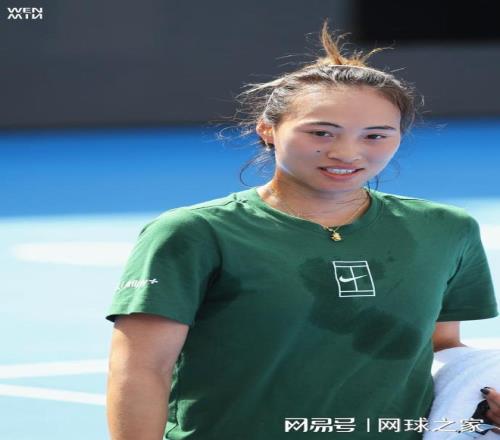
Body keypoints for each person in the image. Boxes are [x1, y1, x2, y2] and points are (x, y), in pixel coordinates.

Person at [105, 19, 499, 439]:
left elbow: (441, 349)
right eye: (321, 132)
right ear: (267, 129)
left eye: (375, 136)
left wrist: (486, 400)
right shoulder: (193, 232)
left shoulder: (446, 229)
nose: (347, 152)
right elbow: (142, 369)